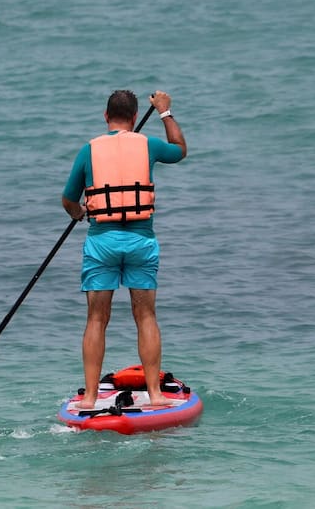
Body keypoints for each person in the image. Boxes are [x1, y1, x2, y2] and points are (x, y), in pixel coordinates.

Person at [61, 89, 187, 408]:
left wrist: (79, 213)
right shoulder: (148, 144)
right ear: (134, 118)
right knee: (145, 316)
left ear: (106, 117)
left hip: (102, 244)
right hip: (140, 243)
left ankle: (90, 397)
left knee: (96, 319)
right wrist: (164, 112)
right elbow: (179, 150)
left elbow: (68, 199)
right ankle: (156, 395)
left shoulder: (89, 150)